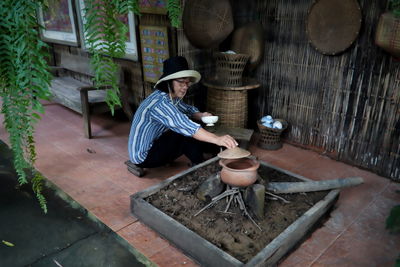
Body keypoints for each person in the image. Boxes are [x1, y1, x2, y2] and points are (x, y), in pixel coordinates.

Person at [127, 56, 237, 176]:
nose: (185, 87)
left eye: (187, 82)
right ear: (168, 82)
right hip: (143, 156)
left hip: (155, 143)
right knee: (184, 132)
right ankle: (200, 166)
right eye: (181, 82)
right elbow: (187, 126)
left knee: (192, 124)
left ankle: (210, 152)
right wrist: (217, 139)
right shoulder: (160, 104)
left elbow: (187, 110)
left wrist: (202, 115)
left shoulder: (169, 97)